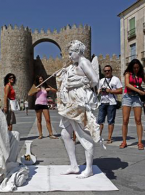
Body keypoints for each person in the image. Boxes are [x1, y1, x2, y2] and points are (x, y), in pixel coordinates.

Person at [56, 40, 101, 178]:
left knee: (83, 134)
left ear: (78, 52)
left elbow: (94, 80)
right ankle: (74, 166)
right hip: (70, 103)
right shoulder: (75, 64)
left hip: (80, 101)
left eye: (71, 53)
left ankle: (89, 168)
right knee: (65, 133)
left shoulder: (84, 62)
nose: (69, 56)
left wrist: (77, 82)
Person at [120, 59, 145, 150]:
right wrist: (139, 91)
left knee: (138, 120)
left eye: (137, 68)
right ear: (131, 67)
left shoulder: (142, 75)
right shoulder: (128, 73)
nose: (136, 69)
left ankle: (140, 142)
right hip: (127, 97)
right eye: (134, 68)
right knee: (125, 120)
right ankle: (124, 141)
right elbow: (127, 84)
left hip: (137, 98)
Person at [97, 65, 123, 144]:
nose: (107, 72)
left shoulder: (116, 79)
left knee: (110, 121)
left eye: (108, 70)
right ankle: (98, 137)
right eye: (105, 71)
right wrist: (101, 91)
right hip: (102, 102)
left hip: (112, 103)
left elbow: (120, 90)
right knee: (100, 121)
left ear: (111, 71)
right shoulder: (101, 80)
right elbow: (98, 91)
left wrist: (110, 91)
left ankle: (109, 138)